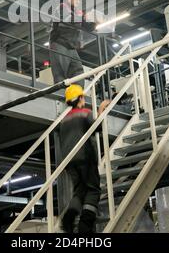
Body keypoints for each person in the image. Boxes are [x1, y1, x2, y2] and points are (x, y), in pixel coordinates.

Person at [59, 84, 110, 234]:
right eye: (83, 97)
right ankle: (85, 225)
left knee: (80, 191)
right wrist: (101, 109)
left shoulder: (64, 120)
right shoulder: (85, 113)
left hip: (69, 161)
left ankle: (68, 218)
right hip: (85, 157)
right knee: (93, 190)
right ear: (80, 98)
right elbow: (97, 128)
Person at [49, 0, 94, 87]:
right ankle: (60, 94)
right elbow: (68, 19)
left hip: (71, 47)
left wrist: (94, 22)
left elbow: (87, 27)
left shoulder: (78, 12)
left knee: (78, 71)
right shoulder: (62, 7)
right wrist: (83, 17)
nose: (78, 1)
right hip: (59, 44)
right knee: (60, 73)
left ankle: (77, 95)